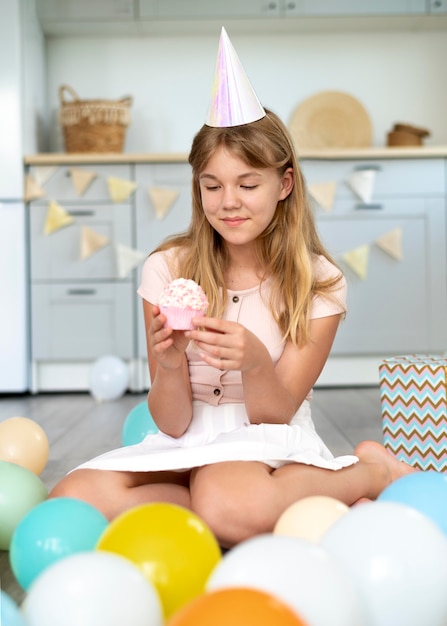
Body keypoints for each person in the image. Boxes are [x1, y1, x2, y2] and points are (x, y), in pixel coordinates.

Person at [49, 28, 414, 548]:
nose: (228, 203)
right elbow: (172, 424)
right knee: (70, 498)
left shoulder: (320, 281)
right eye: (212, 185)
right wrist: (171, 364)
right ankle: (228, 511)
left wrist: (254, 362)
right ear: (197, 186)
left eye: (248, 184)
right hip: (189, 442)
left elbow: (277, 410)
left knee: (227, 497)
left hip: (266, 440)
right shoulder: (166, 270)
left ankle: (370, 473)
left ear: (284, 184)